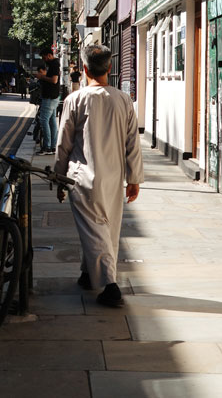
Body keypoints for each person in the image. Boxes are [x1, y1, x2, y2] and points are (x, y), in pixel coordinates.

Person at [52, 44, 144, 307]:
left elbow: (63, 145)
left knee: (94, 230)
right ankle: (87, 273)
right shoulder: (123, 99)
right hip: (113, 177)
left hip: (82, 177)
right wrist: (134, 178)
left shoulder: (75, 100)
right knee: (107, 229)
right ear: (110, 68)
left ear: (84, 69)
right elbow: (132, 143)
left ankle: (110, 285)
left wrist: (59, 180)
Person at [32, 46, 61, 155]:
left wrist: (41, 77)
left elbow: (54, 80)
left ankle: (47, 147)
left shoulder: (54, 64)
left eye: (45, 57)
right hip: (53, 96)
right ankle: (53, 146)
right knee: (52, 121)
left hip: (50, 97)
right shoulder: (53, 64)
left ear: (49, 55)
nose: (44, 59)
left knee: (44, 120)